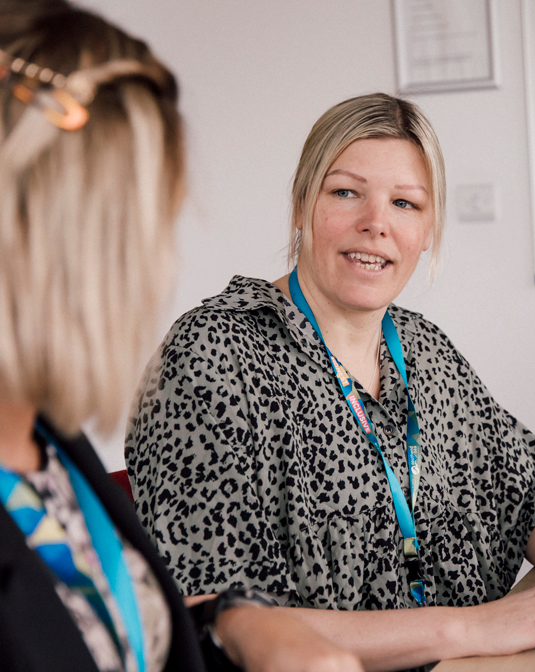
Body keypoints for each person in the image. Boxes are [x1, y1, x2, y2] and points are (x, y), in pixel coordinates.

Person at [126, 92, 535, 672]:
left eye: (405, 203)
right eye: (346, 192)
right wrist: (478, 626)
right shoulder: (212, 352)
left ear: (427, 231)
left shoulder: (424, 349)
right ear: (301, 205)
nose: (376, 224)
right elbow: (208, 613)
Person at [0, 3, 363, 671]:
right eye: (131, 220)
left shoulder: (48, 444)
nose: (153, 259)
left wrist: (234, 623)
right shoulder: (214, 348)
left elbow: (106, 631)